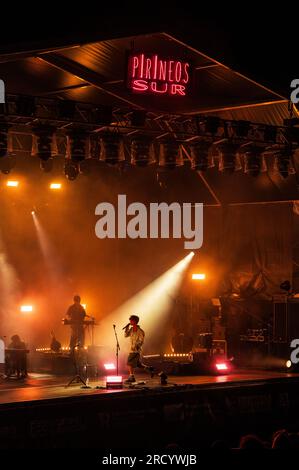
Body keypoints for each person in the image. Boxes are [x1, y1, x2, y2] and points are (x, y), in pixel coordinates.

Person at [124, 315, 154, 383]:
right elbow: (126, 336)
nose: (130, 322)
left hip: (136, 350)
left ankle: (132, 377)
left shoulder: (140, 331)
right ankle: (149, 369)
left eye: (131, 320)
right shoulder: (131, 330)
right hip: (131, 349)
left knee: (129, 363)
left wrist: (135, 346)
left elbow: (141, 341)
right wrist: (126, 328)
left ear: (135, 321)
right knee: (138, 364)